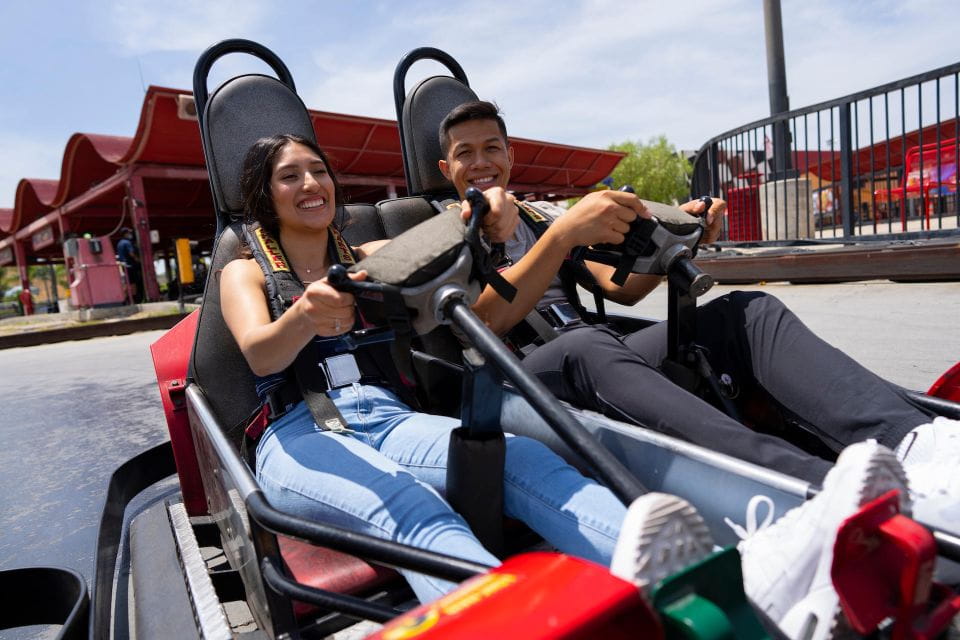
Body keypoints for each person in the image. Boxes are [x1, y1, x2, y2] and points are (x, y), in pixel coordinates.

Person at [216, 133, 931, 638]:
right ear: (263, 195)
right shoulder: (244, 271)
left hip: (386, 414)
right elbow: (260, 353)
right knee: (417, 518)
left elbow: (450, 260)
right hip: (299, 432)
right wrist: (306, 315)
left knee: (526, 462)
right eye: (290, 176)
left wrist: (487, 225)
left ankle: (728, 582)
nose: (310, 185)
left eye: (317, 171)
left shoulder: (368, 254)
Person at [436, 100, 960, 535]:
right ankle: (821, 488)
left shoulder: (539, 214)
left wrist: (685, 239)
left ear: (510, 154)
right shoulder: (433, 232)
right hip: (515, 380)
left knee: (746, 311)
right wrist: (563, 236)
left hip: (595, 351)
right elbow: (483, 325)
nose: (480, 161)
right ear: (446, 169)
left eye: (491, 148)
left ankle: (918, 441)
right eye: (465, 153)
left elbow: (621, 287)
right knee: (587, 346)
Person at [116, 227, 142, 303]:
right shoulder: (127, 243)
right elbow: (131, 254)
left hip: (124, 266)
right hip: (130, 266)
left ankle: (125, 299)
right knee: (133, 283)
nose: (130, 234)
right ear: (125, 234)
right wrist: (138, 260)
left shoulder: (119, 243)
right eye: (129, 233)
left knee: (127, 283)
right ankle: (133, 299)